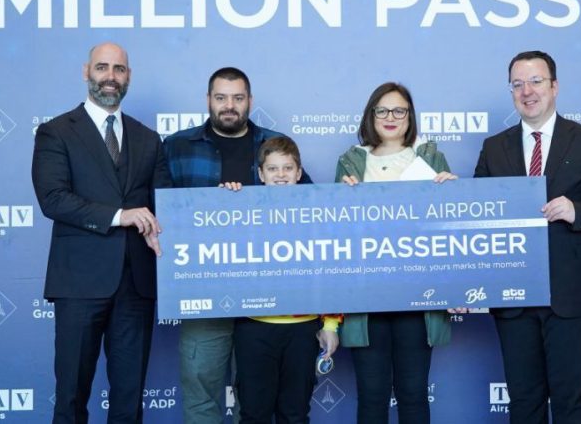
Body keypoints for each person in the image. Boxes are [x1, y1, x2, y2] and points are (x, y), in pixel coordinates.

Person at [473, 51, 581, 424]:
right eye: (517, 84)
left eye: (536, 81)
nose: (527, 91)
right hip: (514, 299)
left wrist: (578, 211)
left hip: (572, 297)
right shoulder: (494, 147)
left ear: (554, 86)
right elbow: (477, 217)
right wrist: (449, 192)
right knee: (524, 404)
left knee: (572, 404)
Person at [32, 42, 171, 424]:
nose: (111, 77)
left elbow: (165, 204)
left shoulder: (148, 138)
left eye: (119, 69)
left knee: (129, 401)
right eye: (102, 67)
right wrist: (120, 216)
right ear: (86, 72)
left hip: (136, 286)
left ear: (129, 76)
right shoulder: (55, 132)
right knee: (71, 397)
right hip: (78, 284)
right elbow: (53, 199)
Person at [163, 67, 311, 424]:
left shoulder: (275, 145)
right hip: (204, 294)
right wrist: (211, 209)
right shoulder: (177, 147)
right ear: (208, 100)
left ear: (250, 101)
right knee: (201, 396)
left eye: (238, 98)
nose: (229, 105)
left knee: (254, 406)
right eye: (221, 97)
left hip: (264, 302)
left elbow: (308, 209)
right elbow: (160, 212)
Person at [335, 82, 457, 424]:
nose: (391, 117)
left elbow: (449, 228)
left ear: (410, 116)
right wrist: (341, 199)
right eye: (382, 110)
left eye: (399, 110)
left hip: (418, 298)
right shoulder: (350, 162)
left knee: (413, 394)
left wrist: (453, 193)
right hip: (366, 300)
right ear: (371, 115)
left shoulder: (430, 158)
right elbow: (337, 234)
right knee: (371, 397)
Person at [230, 136, 341, 424]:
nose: (280, 175)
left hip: (303, 329)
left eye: (288, 168)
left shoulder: (318, 218)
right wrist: (222, 202)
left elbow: (330, 273)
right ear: (261, 174)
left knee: (295, 414)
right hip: (254, 326)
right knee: (253, 414)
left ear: (299, 173)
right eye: (273, 169)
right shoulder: (240, 214)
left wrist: (330, 324)